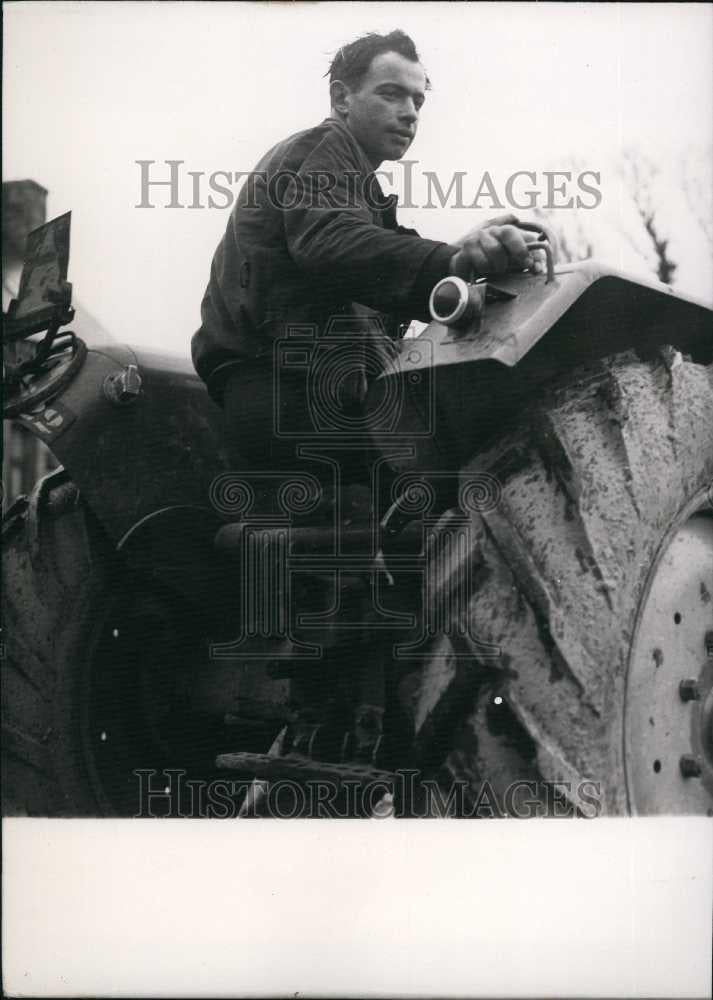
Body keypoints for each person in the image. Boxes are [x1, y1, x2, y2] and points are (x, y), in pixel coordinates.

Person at [191, 29, 541, 474]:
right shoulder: (323, 148)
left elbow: (369, 251)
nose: (410, 114)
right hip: (290, 393)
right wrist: (455, 262)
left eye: (418, 101)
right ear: (342, 98)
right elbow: (329, 240)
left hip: (294, 393)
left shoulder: (354, 183)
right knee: (473, 463)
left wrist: (462, 253)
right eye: (392, 95)